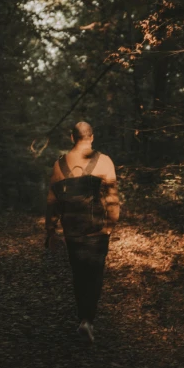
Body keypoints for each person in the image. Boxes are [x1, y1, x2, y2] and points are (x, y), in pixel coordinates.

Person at [45, 121, 120, 343]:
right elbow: (112, 197)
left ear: (72, 137)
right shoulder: (105, 162)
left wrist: (51, 230)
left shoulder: (60, 165)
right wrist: (110, 225)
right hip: (97, 230)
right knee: (95, 275)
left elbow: (52, 201)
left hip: (72, 230)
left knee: (79, 275)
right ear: (92, 137)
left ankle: (82, 319)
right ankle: (88, 320)